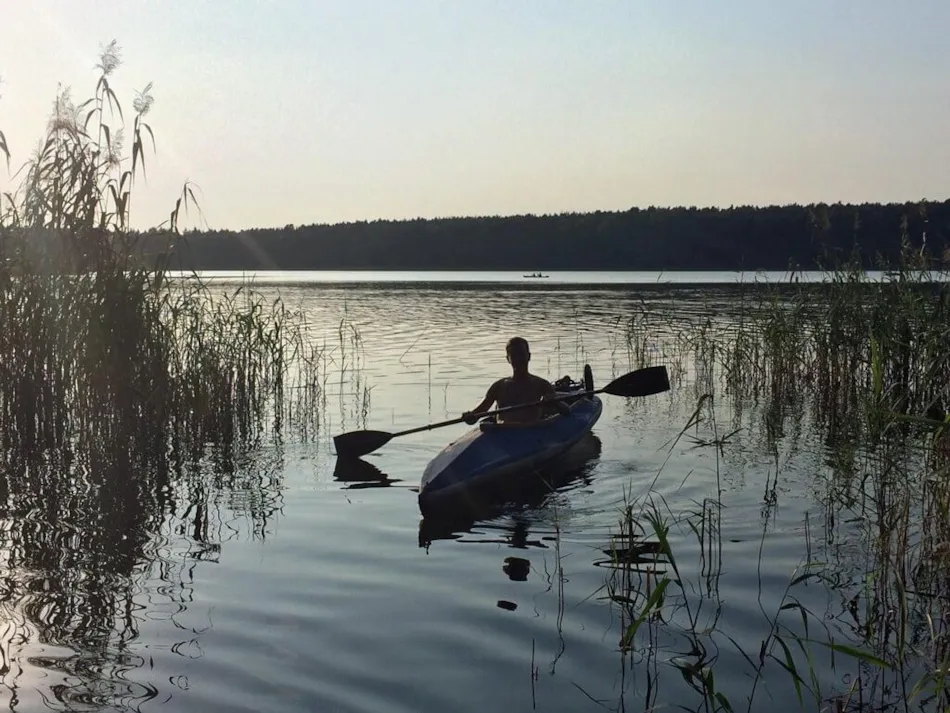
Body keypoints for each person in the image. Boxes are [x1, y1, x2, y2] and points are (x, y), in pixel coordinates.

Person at [462, 337, 569, 425]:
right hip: (502, 433)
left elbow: (566, 412)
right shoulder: (498, 386)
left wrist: (555, 402)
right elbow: (477, 414)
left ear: (528, 356)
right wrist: (469, 415)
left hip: (531, 431)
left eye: (521, 354)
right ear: (508, 359)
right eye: (514, 355)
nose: (518, 359)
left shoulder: (542, 385)